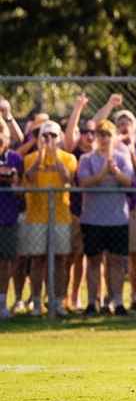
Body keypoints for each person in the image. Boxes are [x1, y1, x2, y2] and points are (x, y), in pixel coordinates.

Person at [75, 119, 135, 314]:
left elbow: (128, 182)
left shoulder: (122, 157)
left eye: (108, 135)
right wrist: (102, 174)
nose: (103, 139)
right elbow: (84, 182)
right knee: (93, 261)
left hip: (117, 218)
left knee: (116, 261)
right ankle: (92, 302)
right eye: (100, 135)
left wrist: (115, 171)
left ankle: (117, 302)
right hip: (92, 219)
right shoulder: (86, 159)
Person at [19, 121, 78, 315]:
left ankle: (57, 301)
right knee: (37, 260)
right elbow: (30, 178)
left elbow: (67, 178)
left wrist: (53, 155)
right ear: (39, 138)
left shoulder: (68, 158)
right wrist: (42, 157)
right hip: (36, 216)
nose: (49, 140)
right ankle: (36, 301)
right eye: (45, 136)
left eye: (53, 136)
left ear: (59, 137)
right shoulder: (30, 159)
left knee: (61, 260)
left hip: (61, 216)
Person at [112, 109, 136, 312]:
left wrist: (132, 153)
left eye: (128, 123)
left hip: (135, 206)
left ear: (134, 127)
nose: (124, 127)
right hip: (114, 207)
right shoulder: (111, 149)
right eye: (120, 124)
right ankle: (113, 298)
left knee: (135, 253)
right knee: (114, 255)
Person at [0, 122, 23, 317]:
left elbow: (19, 187)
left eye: (1, 133)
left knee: (6, 261)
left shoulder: (15, 159)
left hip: (7, 217)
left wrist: (11, 178)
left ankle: (2, 302)